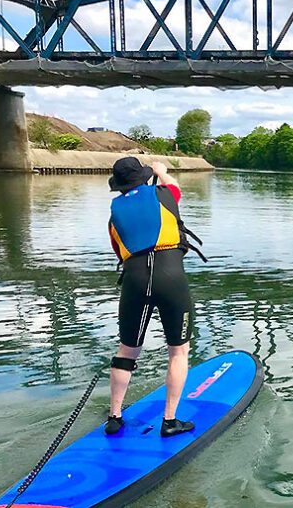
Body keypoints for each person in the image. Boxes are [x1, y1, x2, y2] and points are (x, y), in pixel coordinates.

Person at [106, 157, 206, 438]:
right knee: (178, 350)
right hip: (169, 276)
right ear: (144, 177)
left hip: (135, 279)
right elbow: (176, 188)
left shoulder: (114, 216)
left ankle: (114, 417)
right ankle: (170, 421)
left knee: (127, 350)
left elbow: (120, 252)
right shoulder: (165, 194)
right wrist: (161, 171)